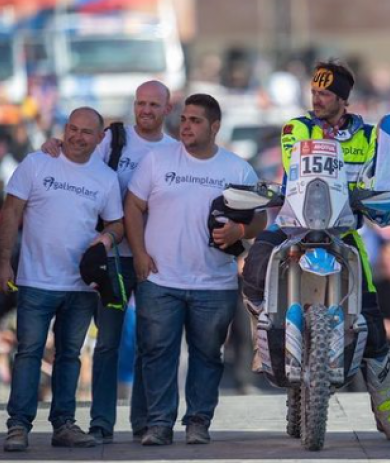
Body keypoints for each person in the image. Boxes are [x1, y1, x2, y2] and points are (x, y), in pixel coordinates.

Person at [241, 60, 390, 440]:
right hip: (292, 224)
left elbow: (373, 177)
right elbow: (293, 165)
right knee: (252, 270)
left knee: (373, 319)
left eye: (325, 94)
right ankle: (262, 336)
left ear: (343, 99)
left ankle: (386, 409)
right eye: (314, 93)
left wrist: (372, 197)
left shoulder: (369, 137)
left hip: (343, 230)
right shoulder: (296, 129)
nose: (316, 99)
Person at [125, 94, 267, 446]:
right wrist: (139, 254)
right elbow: (132, 207)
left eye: (195, 120)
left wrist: (239, 231)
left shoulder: (237, 169)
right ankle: (158, 424)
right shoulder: (157, 161)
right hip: (160, 279)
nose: (186, 126)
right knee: (157, 353)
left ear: (215, 126)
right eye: (184, 119)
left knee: (207, 356)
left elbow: (260, 218)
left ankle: (198, 422)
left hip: (214, 283)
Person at [42, 80, 178, 443]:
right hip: (113, 259)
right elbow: (76, 163)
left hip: (153, 261)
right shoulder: (113, 140)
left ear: (167, 109)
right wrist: (52, 147)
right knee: (107, 344)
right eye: (140, 103)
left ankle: (144, 422)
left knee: (152, 345)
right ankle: (102, 423)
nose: (145, 110)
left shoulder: (175, 150)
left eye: (153, 105)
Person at [0, 107, 124, 452]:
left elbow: (117, 224)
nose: (78, 137)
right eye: (73, 129)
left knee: (69, 355)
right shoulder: (37, 164)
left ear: (100, 139)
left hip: (80, 286)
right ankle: (18, 426)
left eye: (87, 133)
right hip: (35, 281)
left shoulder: (106, 177)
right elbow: (10, 214)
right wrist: (2, 263)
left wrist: (106, 240)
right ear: (64, 130)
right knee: (29, 353)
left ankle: (63, 425)